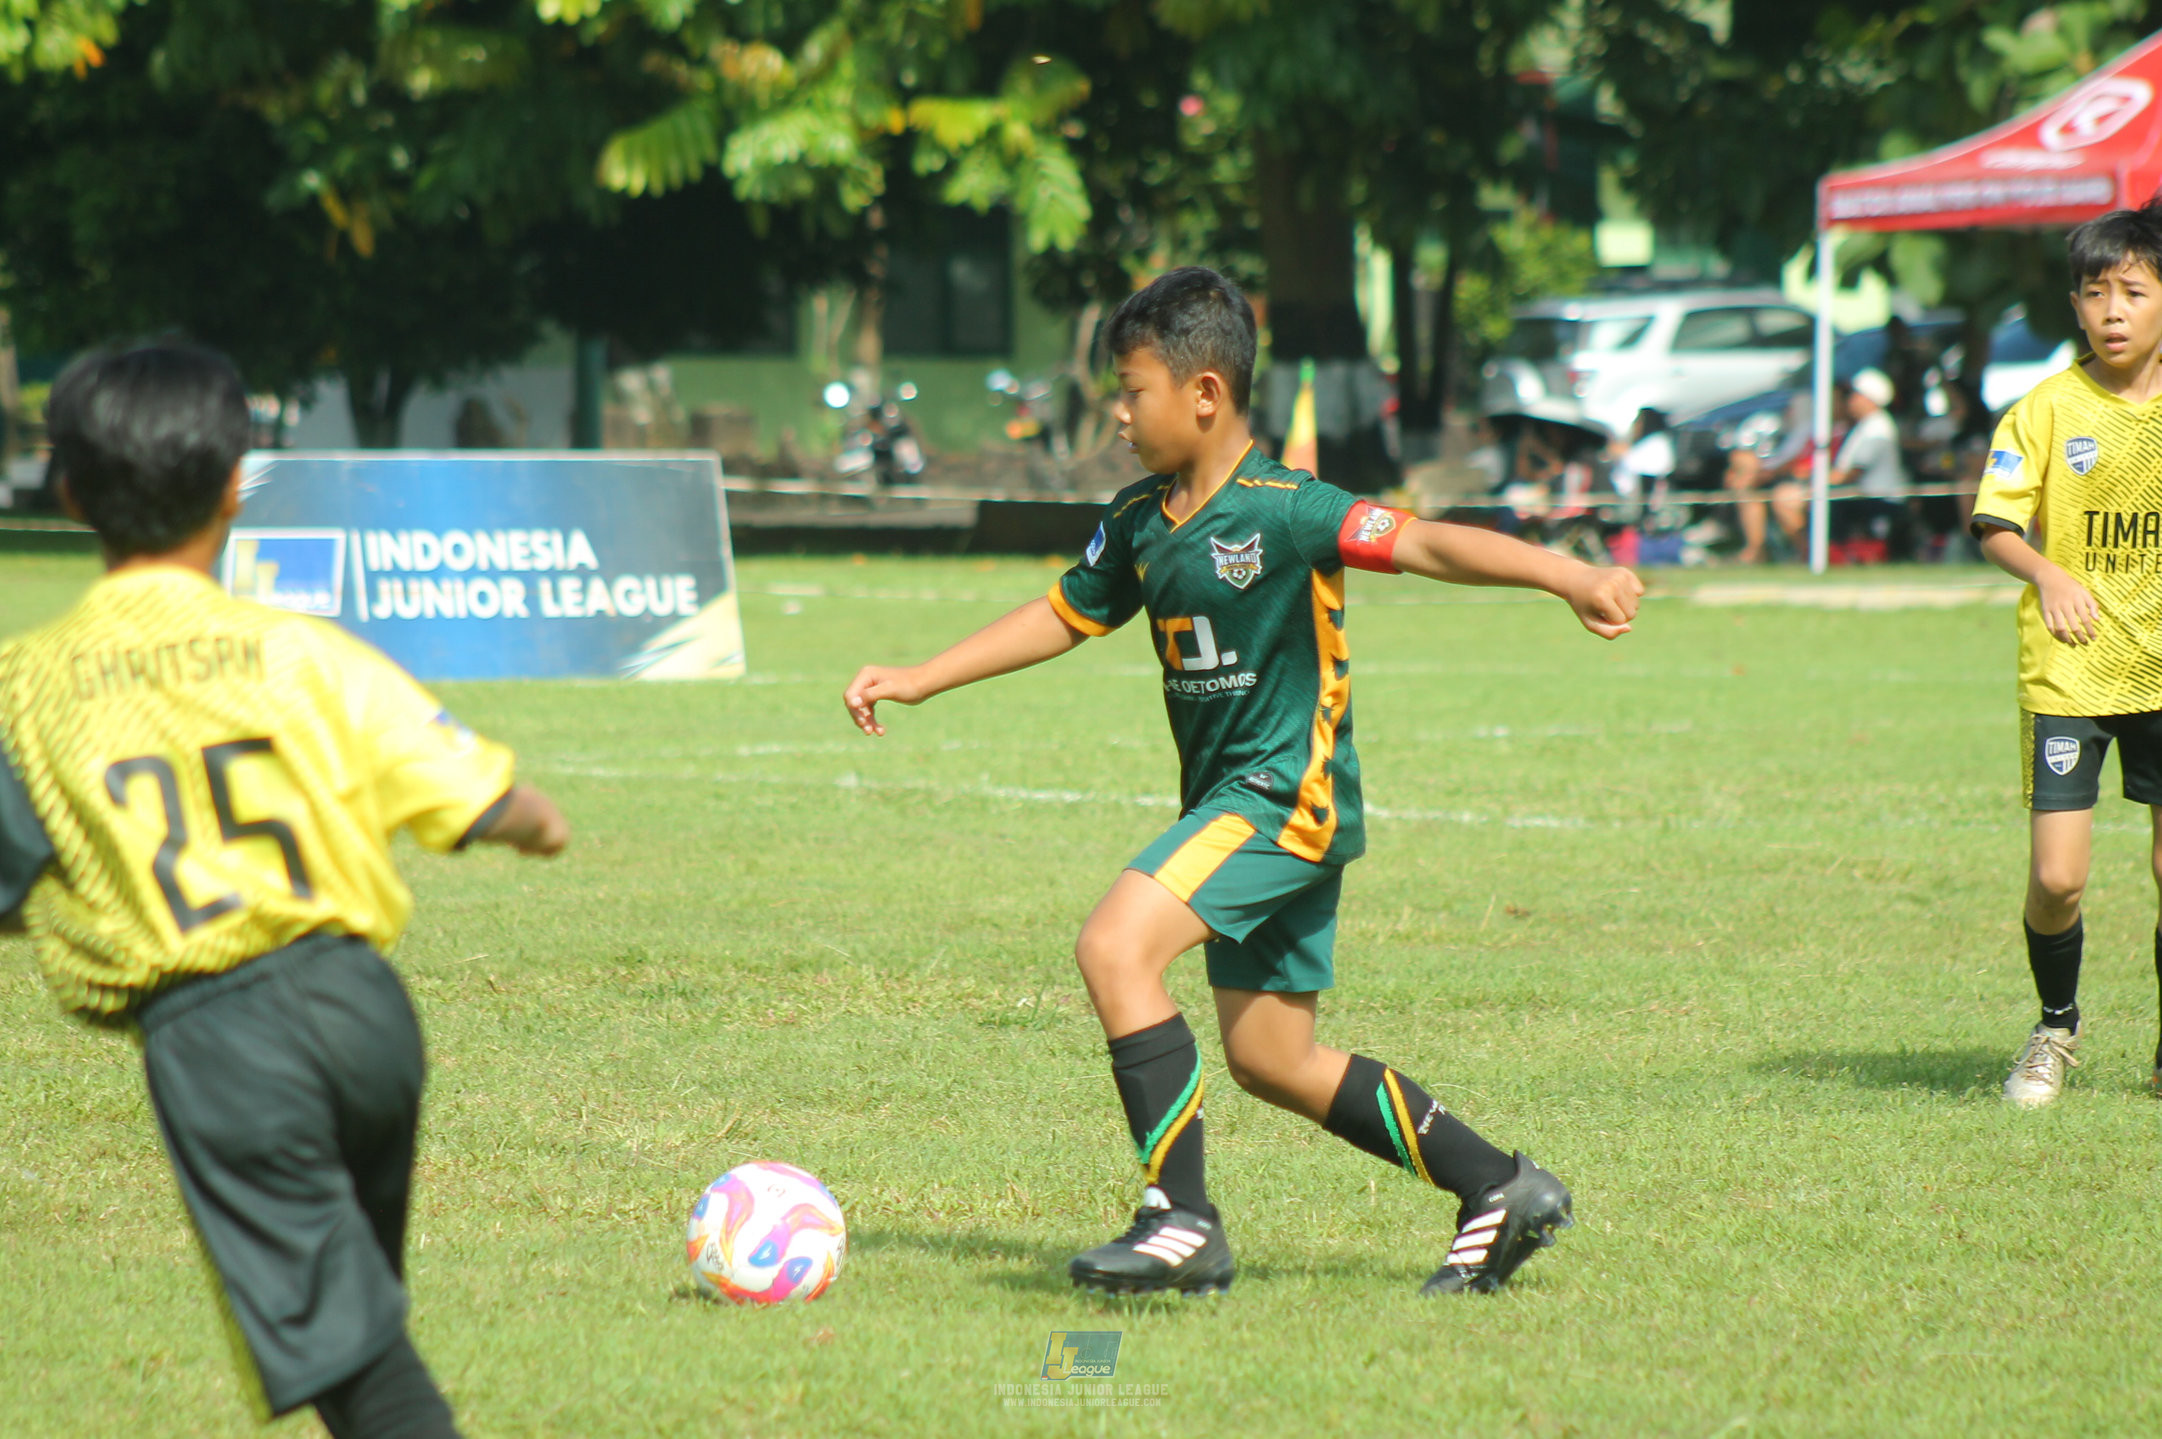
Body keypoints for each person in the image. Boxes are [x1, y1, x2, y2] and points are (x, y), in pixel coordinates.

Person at [843, 268, 1643, 1297]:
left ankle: (1180, 1220)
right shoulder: (1138, 519)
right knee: (1270, 1055)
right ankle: (1499, 1185)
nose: (1119, 416)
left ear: (1204, 394)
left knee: (1111, 943)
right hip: (1243, 808)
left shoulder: (1288, 509)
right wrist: (919, 676)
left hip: (1279, 800)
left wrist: (1568, 573)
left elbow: (1426, 538)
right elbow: (1062, 613)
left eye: (1131, 392)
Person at [0, 342, 571, 1436]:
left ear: (69, 491)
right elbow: (495, 801)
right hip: (367, 1014)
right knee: (355, 1325)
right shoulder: (304, 652)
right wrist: (536, 823)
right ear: (233, 484)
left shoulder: (29, 683)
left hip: (222, 1039)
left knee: (361, 1368)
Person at [1970, 201, 2162, 1106]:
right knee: (2058, 877)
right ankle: (2056, 1026)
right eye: (2096, 292)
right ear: (2076, 306)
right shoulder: (2047, 409)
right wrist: (2048, 574)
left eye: (2133, 290)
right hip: (2072, 668)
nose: (2113, 310)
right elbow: (1996, 522)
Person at [1827, 369, 1909, 562]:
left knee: (1829, 505)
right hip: (1868, 495)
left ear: (1868, 399)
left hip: (1880, 498)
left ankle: (1838, 556)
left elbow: (1853, 473)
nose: (1850, 400)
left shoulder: (1877, 428)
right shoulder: (1867, 425)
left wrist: (1817, 483)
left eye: (1855, 395)